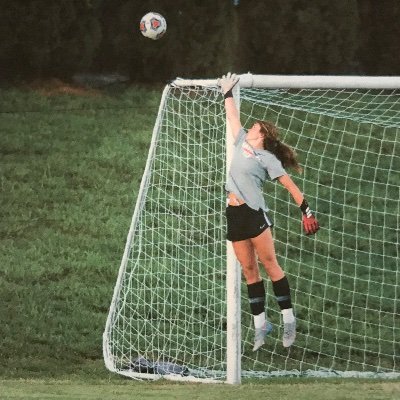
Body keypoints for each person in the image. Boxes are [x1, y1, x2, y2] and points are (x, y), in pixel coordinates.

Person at [219, 73, 320, 351]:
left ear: (262, 135)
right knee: (249, 271)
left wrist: (306, 211)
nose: (249, 127)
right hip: (234, 214)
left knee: (270, 265)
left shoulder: (268, 159)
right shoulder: (241, 141)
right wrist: (227, 92)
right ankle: (261, 327)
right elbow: (232, 118)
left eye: (254, 127)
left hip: (255, 215)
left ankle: (288, 320)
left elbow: (289, 184)